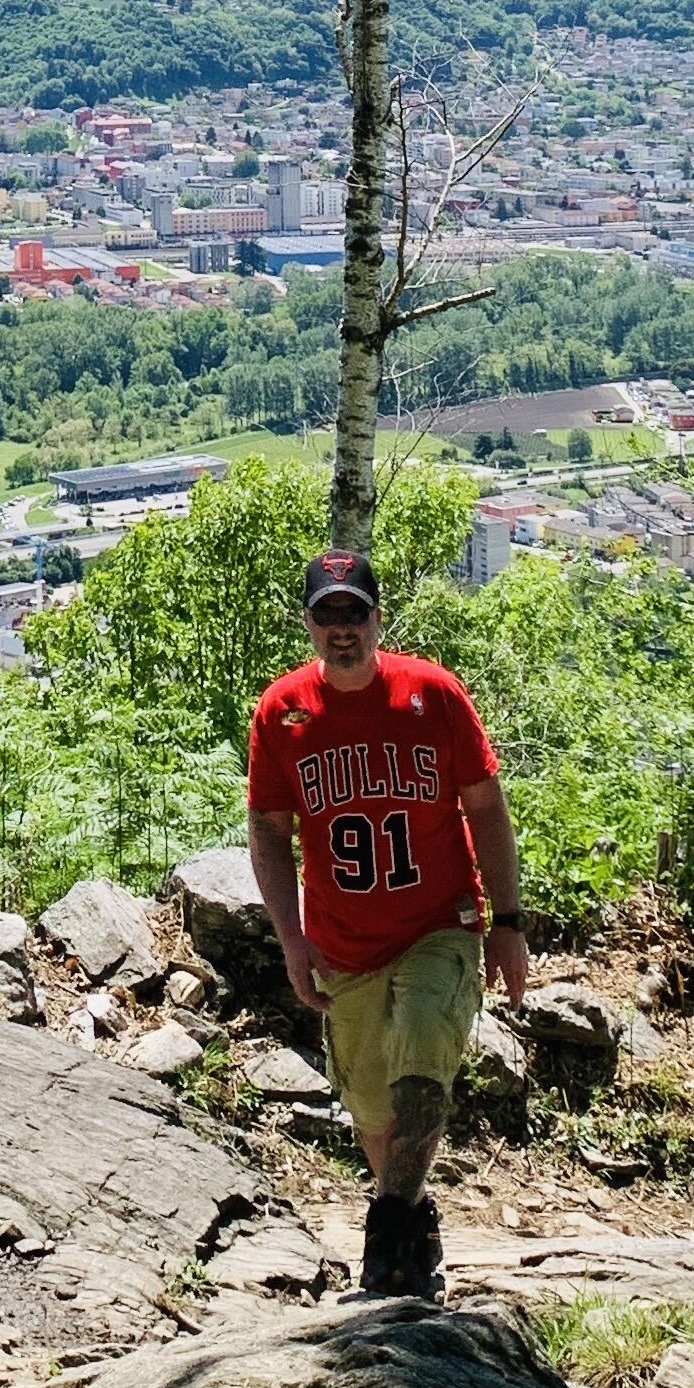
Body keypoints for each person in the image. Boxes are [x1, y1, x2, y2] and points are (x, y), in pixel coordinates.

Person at [246, 544, 528, 1302]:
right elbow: (269, 832)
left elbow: (486, 808)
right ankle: (412, 1224)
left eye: (355, 613)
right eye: (326, 615)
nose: (343, 629)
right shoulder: (281, 713)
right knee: (374, 1110)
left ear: (379, 619)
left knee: (422, 1062)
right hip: (344, 945)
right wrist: (291, 938)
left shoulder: (432, 695)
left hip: (442, 921)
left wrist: (508, 921)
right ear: (309, 626)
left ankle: (385, 1242)